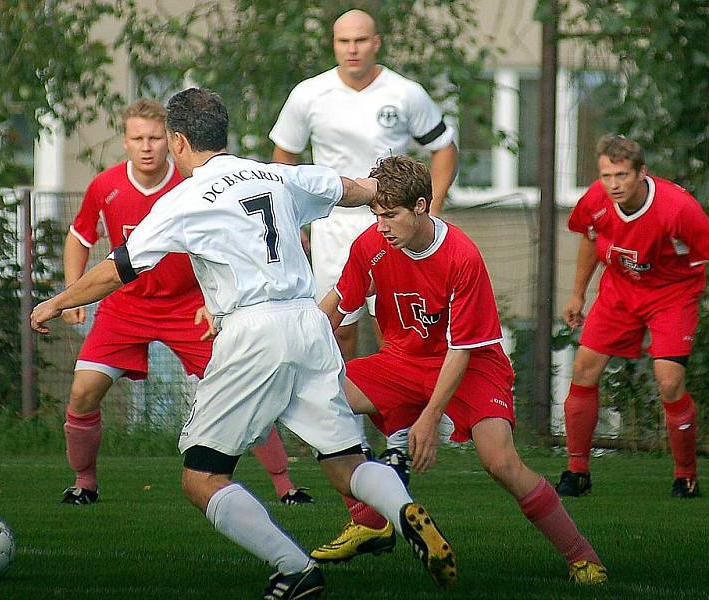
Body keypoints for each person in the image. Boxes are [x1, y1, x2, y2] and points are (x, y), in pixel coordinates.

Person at [31, 87, 456, 598]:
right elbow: (353, 189)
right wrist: (392, 187)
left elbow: (119, 269)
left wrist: (57, 301)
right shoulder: (279, 175)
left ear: (179, 141)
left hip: (253, 332)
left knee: (202, 476)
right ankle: (403, 510)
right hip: (308, 323)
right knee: (346, 465)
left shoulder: (184, 199)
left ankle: (293, 568)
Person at [313, 155, 607, 585]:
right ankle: (369, 520)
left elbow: (461, 349)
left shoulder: (461, 255)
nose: (382, 226)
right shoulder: (370, 246)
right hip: (403, 359)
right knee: (318, 400)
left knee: (500, 462)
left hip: (472, 364)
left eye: (390, 215)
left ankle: (582, 556)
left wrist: (431, 417)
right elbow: (336, 308)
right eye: (376, 214)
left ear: (420, 206)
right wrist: (295, 349)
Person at [59, 98, 312, 507]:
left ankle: (286, 485)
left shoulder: (193, 185)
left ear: (174, 141)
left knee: (245, 385)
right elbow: (80, 237)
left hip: (189, 307)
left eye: (155, 137)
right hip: (125, 307)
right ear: (124, 141)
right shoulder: (104, 186)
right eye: (137, 137)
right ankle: (84, 482)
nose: (146, 146)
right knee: (83, 392)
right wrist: (72, 290)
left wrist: (213, 300)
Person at [270, 6, 458, 477]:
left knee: (395, 332)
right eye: (342, 41)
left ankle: (398, 436)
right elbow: (283, 159)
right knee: (339, 328)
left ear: (376, 43)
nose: (351, 49)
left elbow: (444, 148)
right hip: (335, 229)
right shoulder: (309, 94)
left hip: (396, 227)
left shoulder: (403, 92)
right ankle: (344, 437)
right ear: (334, 46)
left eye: (360, 40)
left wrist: (427, 212)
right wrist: (296, 224)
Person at [555, 134, 709, 499]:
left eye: (622, 175)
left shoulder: (677, 207)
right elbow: (589, 236)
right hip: (620, 288)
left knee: (668, 382)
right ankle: (577, 472)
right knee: (584, 368)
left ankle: (686, 476)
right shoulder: (596, 200)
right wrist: (577, 294)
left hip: (672, 295)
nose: (613, 185)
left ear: (641, 173)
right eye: (606, 176)